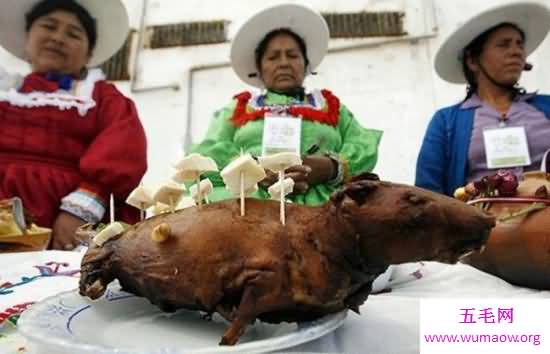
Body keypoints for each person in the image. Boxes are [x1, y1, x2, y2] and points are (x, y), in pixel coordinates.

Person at [191, 4, 382, 205]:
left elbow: (364, 148)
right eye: (273, 57)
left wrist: (329, 167)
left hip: (324, 207)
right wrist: (252, 170)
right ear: (259, 67)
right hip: (251, 205)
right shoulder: (238, 107)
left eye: (292, 55)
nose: (283, 63)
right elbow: (206, 156)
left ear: (306, 63)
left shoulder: (331, 107)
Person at [0, 0, 147, 250]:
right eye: (49, 26)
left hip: (67, 218)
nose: (58, 38)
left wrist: (81, 210)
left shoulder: (102, 97)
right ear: (27, 38)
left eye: (73, 34)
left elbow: (123, 149)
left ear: (89, 54)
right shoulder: (5, 93)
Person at [415, 2, 550, 196]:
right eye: (504, 44)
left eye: (519, 44)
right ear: (472, 60)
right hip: (481, 224)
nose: (516, 51)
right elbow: (427, 192)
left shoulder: (546, 107)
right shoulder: (445, 122)